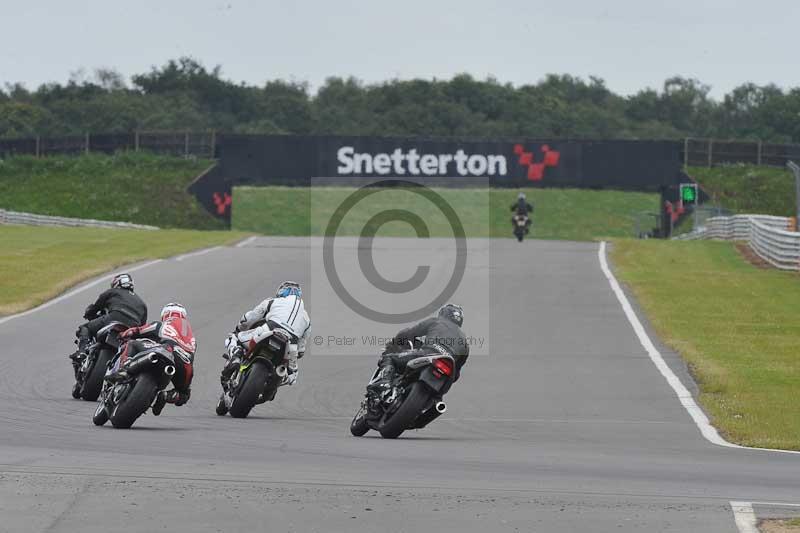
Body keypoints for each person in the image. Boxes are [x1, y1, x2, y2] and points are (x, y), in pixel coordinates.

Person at [220, 281, 311, 388]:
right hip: (291, 346)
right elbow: (301, 350)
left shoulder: (272, 301)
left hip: (268, 330)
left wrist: (239, 329)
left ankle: (236, 358)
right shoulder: (307, 320)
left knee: (234, 338)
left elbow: (249, 318)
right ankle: (274, 383)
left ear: (281, 292)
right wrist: (296, 356)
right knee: (292, 375)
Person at [368, 303, 469, 394]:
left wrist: (395, 342)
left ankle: (384, 383)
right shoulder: (465, 342)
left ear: (444, 313)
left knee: (389, 358)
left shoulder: (437, 321)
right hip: (448, 371)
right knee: (438, 396)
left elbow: (409, 333)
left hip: (428, 354)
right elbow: (456, 374)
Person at [116, 303, 196, 416]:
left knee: (132, 344)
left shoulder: (165, 324)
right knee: (184, 394)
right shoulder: (191, 336)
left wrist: (123, 334)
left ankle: (123, 370)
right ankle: (166, 396)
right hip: (186, 365)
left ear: (165, 315)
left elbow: (137, 331)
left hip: (167, 350)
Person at [70, 273, 147, 362]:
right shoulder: (142, 304)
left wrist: (89, 313)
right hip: (132, 327)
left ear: (116, 283)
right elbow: (142, 326)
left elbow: (97, 306)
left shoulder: (113, 292)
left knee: (84, 328)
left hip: (115, 317)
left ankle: (81, 352)